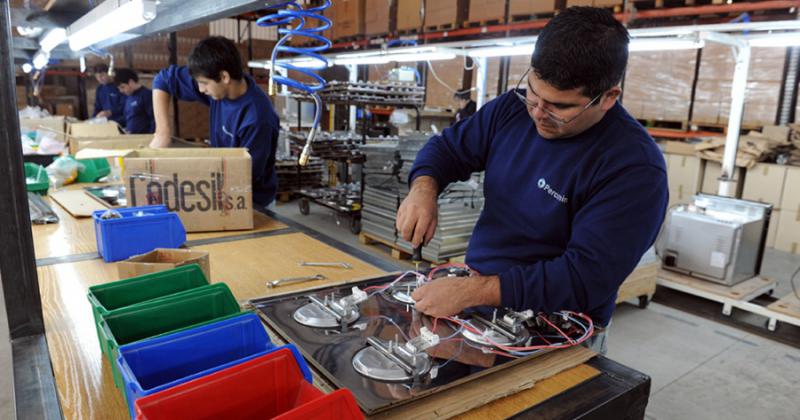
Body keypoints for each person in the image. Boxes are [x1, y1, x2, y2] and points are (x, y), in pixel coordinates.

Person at [396, 7, 668, 354]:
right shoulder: (511, 109)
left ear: (608, 98)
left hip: (559, 329)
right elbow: (447, 150)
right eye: (534, 94)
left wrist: (475, 290)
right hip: (476, 301)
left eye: (559, 106)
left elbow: (584, 278)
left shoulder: (635, 169)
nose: (538, 113)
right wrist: (424, 189)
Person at [150, 36, 279, 208]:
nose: (201, 89)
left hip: (250, 201)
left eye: (204, 83)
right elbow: (163, 80)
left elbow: (243, 176)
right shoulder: (218, 87)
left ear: (224, 77)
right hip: (219, 187)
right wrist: (162, 132)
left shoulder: (257, 118)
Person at [114, 68, 154, 134]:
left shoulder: (146, 95)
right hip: (131, 137)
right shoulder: (128, 97)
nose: (121, 91)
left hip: (144, 138)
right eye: (119, 88)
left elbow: (154, 119)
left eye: (122, 87)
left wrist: (150, 137)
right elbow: (128, 118)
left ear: (131, 82)